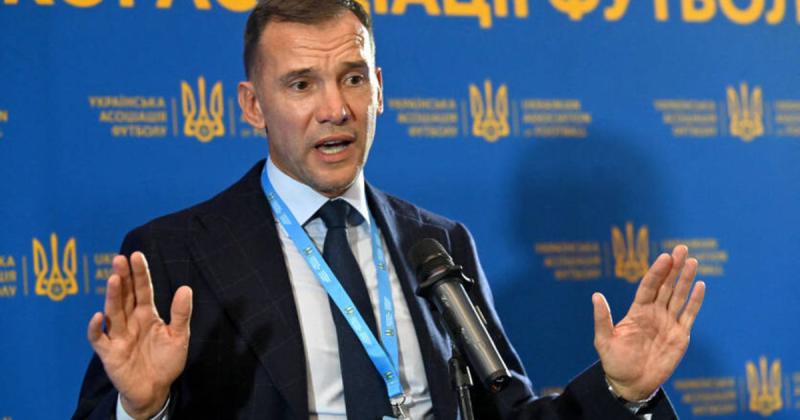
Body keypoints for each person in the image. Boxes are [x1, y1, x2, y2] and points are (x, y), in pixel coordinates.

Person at [73, 1, 706, 419]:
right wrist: (142, 409)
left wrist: (621, 390)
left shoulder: (438, 243)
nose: (335, 109)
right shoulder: (176, 254)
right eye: (301, 84)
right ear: (252, 106)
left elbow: (505, 411)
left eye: (353, 78)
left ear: (379, 90)